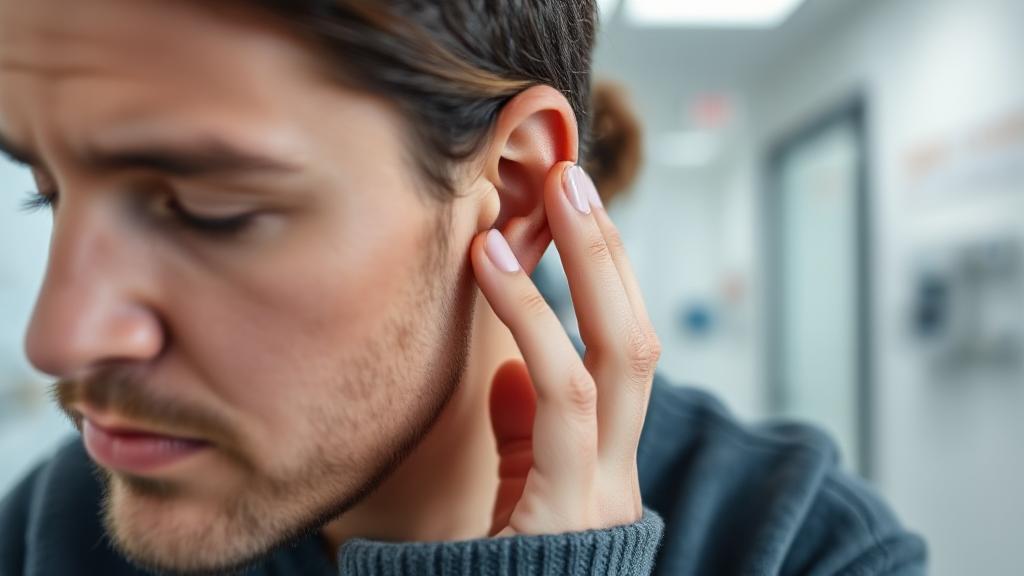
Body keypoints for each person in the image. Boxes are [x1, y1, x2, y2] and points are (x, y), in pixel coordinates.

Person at [0, 1, 926, 575]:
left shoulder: (799, 550)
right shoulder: (51, 530)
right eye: (47, 190)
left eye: (209, 209)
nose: (58, 339)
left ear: (512, 195)